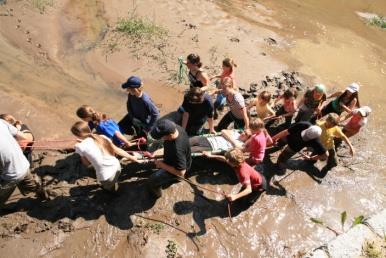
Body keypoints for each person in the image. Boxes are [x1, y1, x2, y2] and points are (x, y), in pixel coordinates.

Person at [71, 121, 140, 192]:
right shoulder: (101, 137)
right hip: (117, 167)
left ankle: (112, 189)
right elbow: (118, 150)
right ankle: (113, 182)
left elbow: (87, 164)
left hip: (107, 177)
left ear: (77, 135)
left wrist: (81, 147)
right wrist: (132, 158)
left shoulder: (79, 146)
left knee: (107, 188)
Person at [0, 119, 45, 209]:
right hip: (24, 164)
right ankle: (44, 197)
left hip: (11, 176)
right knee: (33, 186)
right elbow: (23, 137)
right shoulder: (1, 122)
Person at [147, 120, 192, 198]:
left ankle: (156, 195)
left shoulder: (178, 150)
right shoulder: (177, 128)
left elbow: (181, 172)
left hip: (177, 170)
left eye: (161, 137)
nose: (161, 138)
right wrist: (156, 153)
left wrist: (161, 165)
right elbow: (168, 147)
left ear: (169, 135)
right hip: (172, 160)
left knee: (152, 180)